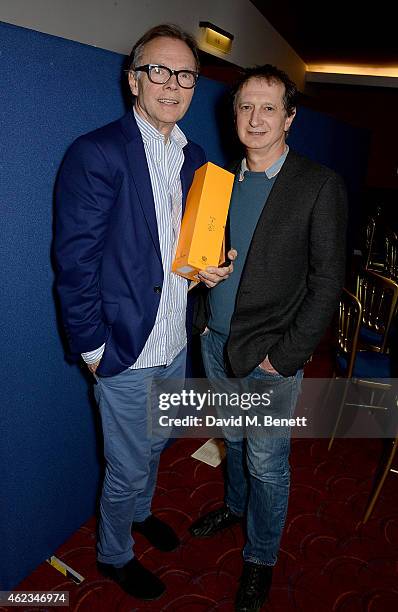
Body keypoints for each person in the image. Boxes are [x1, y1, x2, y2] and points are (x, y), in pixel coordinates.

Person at [54, 24, 234, 602]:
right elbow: (75, 261)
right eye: (158, 70)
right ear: (134, 80)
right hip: (124, 347)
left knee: (158, 444)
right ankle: (113, 553)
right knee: (127, 464)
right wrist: (92, 346)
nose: (172, 84)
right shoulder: (97, 151)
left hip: (174, 339)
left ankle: (139, 515)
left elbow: (180, 248)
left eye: (185, 75)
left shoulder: (195, 156)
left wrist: (208, 267)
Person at [190, 65, 347, 611]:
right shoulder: (219, 182)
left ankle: (259, 560)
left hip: (267, 358)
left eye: (268, 108)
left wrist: (285, 357)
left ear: (289, 118)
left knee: (266, 463)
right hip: (215, 340)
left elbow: (328, 282)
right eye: (245, 107)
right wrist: (202, 298)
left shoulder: (318, 184)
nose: (255, 119)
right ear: (233, 114)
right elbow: (208, 260)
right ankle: (234, 507)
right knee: (231, 441)